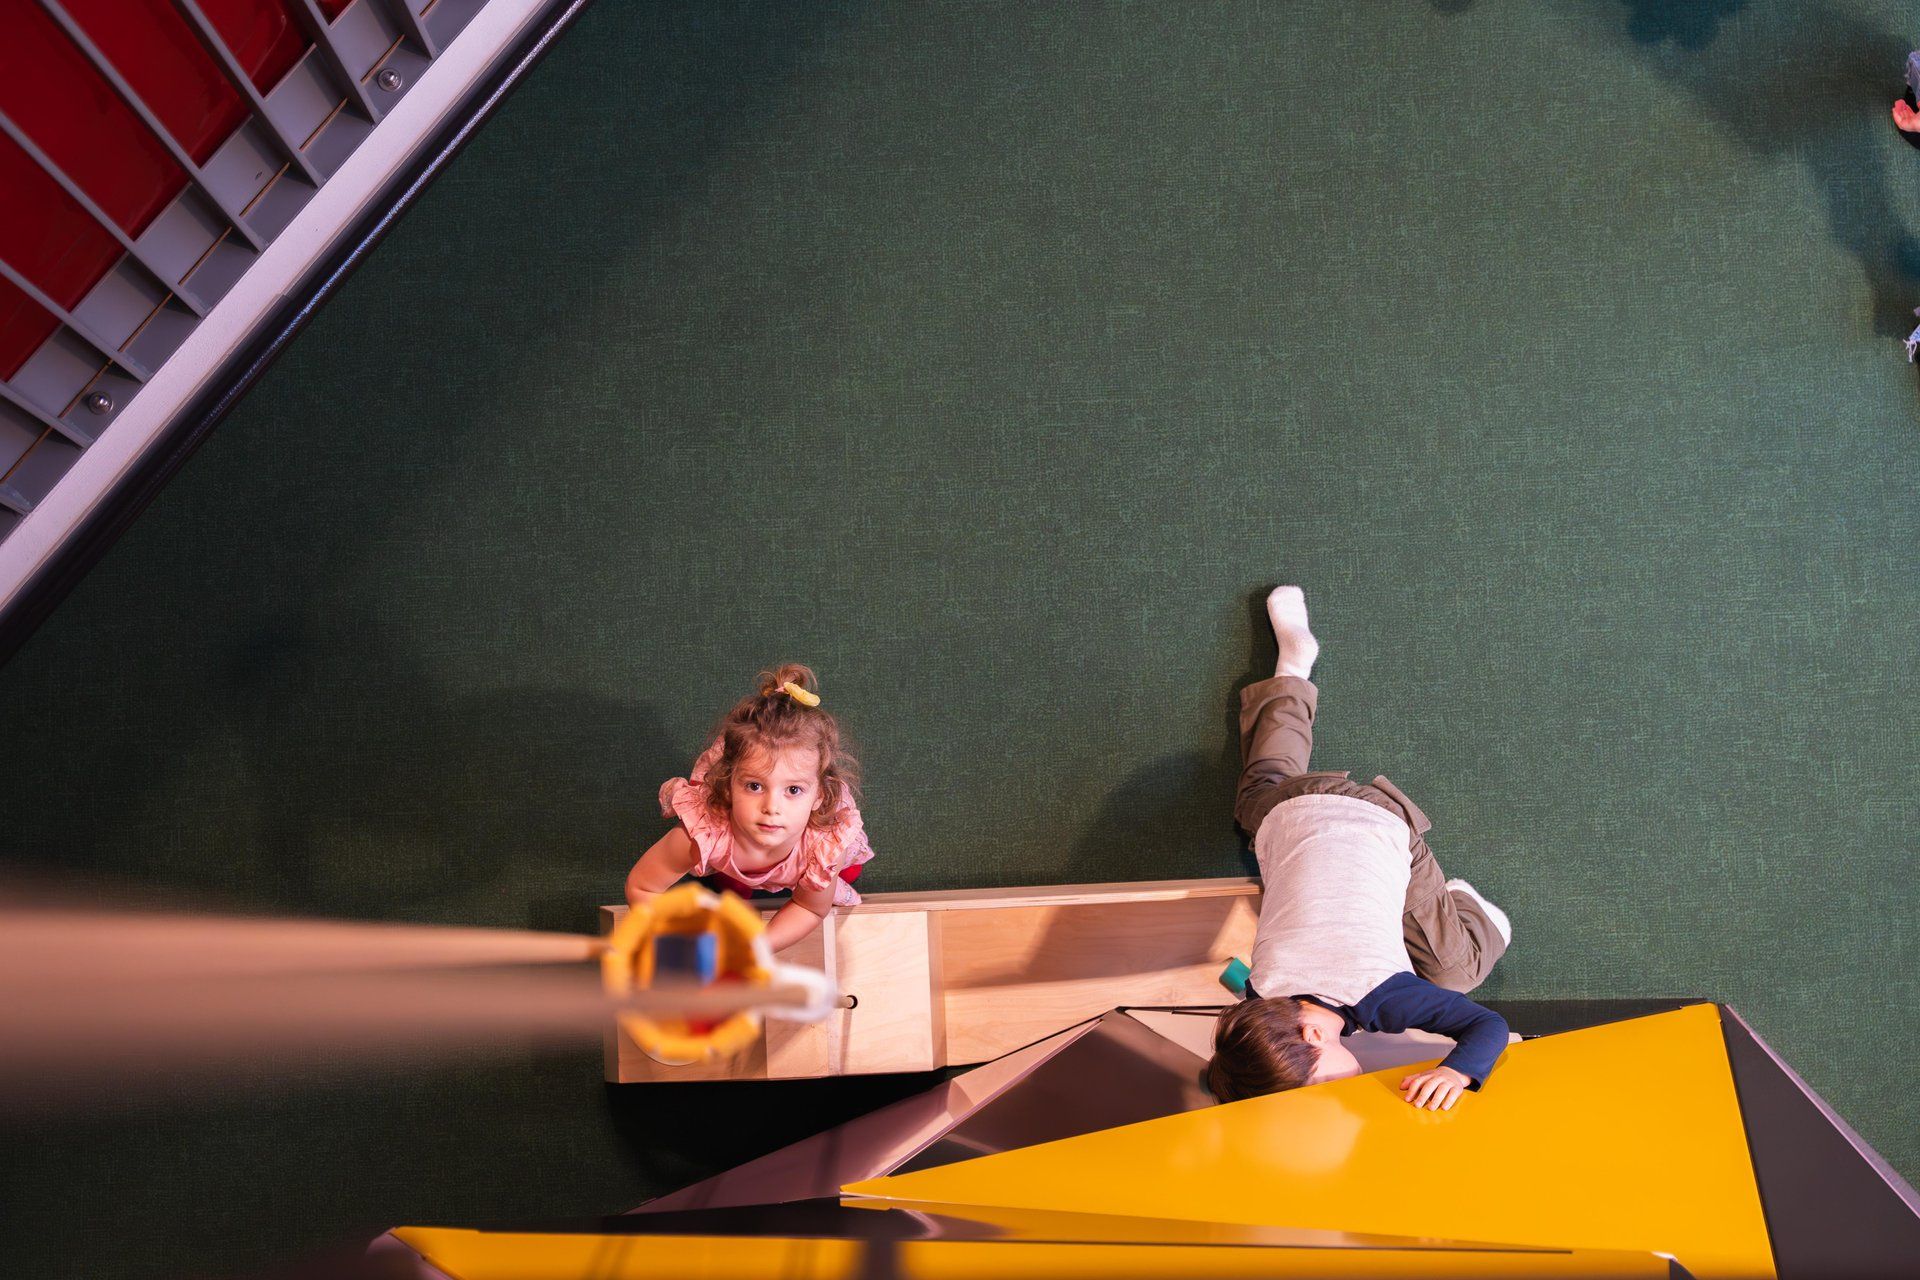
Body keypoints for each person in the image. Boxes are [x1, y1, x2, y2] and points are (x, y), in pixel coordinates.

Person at [1208, 587, 1514, 1111]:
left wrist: (1457, 1071)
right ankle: (1293, 673)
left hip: (1384, 818)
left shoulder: (1387, 998)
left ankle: (1471, 909)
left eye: (1324, 1084)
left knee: (1457, 974)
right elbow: (1237, 991)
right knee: (1256, 790)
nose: (1335, 1091)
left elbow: (1486, 1026)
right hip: (1291, 806)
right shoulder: (1261, 992)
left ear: (1313, 1038)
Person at [625, 663, 872, 952]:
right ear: (729, 785)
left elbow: (810, 908)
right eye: (754, 786)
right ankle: (735, 878)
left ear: (818, 796)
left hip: (807, 860)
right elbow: (642, 887)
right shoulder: (705, 832)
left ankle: (758, 877)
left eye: (793, 790)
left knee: (846, 872)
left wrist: (756, 946)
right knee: (729, 884)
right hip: (734, 852)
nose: (771, 807)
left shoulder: (823, 846)